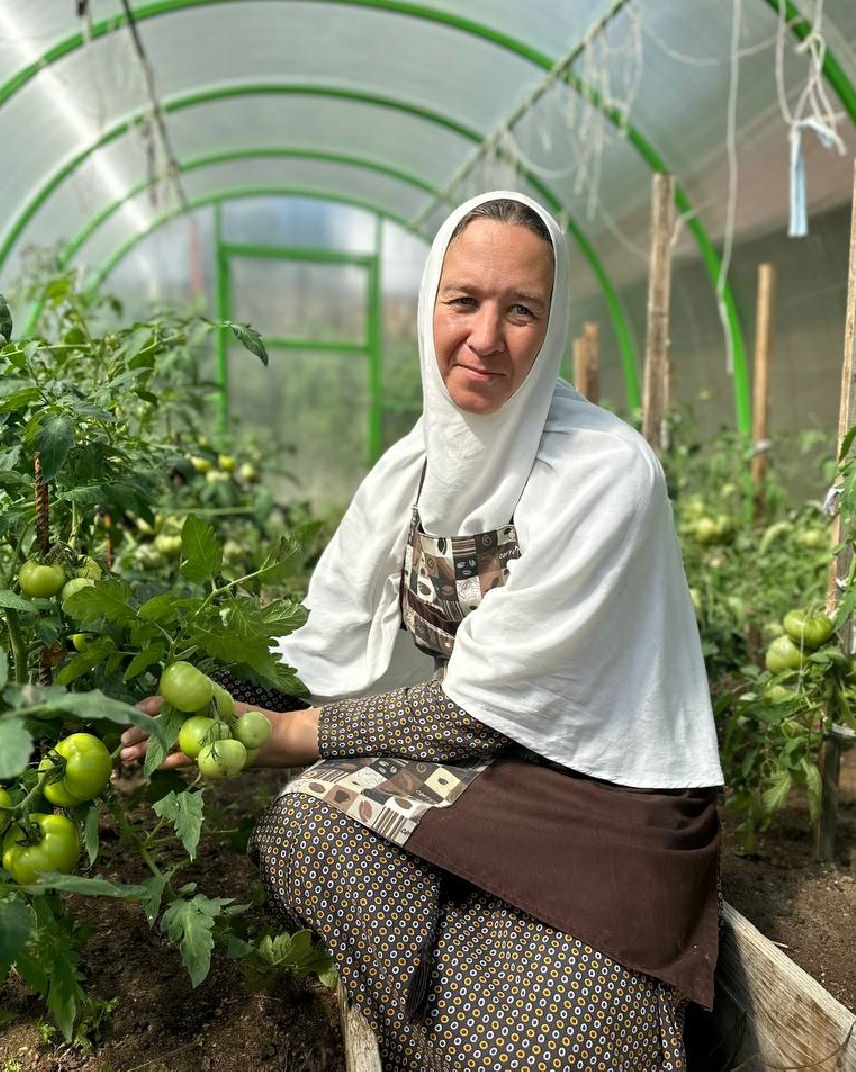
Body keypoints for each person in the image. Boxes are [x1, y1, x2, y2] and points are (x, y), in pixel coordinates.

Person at [122, 190, 724, 1070]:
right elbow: (323, 638)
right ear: (428, 308)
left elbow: (477, 714)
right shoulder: (416, 465)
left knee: (558, 1049)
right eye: (465, 301)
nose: (487, 337)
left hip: (594, 804)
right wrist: (199, 695)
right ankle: (447, 1019)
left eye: (521, 311)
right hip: (469, 779)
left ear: (551, 329)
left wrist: (282, 735)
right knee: (305, 834)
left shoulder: (604, 475)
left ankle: (494, 1012)